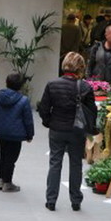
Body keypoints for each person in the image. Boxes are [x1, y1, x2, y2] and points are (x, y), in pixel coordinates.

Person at [38, 52, 96, 211]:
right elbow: (92, 111)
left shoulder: (52, 84)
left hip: (57, 128)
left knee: (55, 163)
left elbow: (43, 108)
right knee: (76, 163)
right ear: (80, 67)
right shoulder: (85, 87)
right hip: (77, 131)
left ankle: (51, 200)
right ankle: (75, 200)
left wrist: (49, 122)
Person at [0, 73, 34, 193]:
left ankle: (1, 178)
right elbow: (28, 120)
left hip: (1, 132)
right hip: (16, 134)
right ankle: (7, 182)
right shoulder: (24, 100)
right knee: (11, 158)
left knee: (3, 155)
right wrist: (30, 135)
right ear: (20, 86)